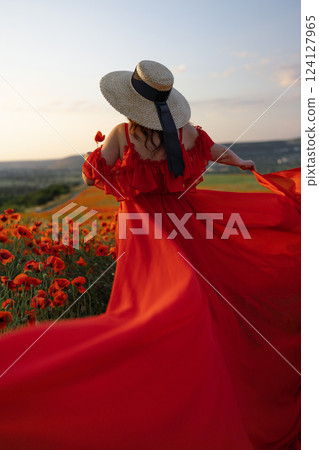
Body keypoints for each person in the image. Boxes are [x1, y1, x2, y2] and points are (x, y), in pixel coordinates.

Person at [0, 60, 300, 449]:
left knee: (155, 298)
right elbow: (216, 151)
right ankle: (207, 364)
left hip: (142, 226)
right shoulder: (188, 133)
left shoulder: (123, 133)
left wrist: (100, 170)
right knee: (202, 293)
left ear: (131, 102)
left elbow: (93, 174)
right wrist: (242, 163)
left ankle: (171, 373)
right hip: (186, 218)